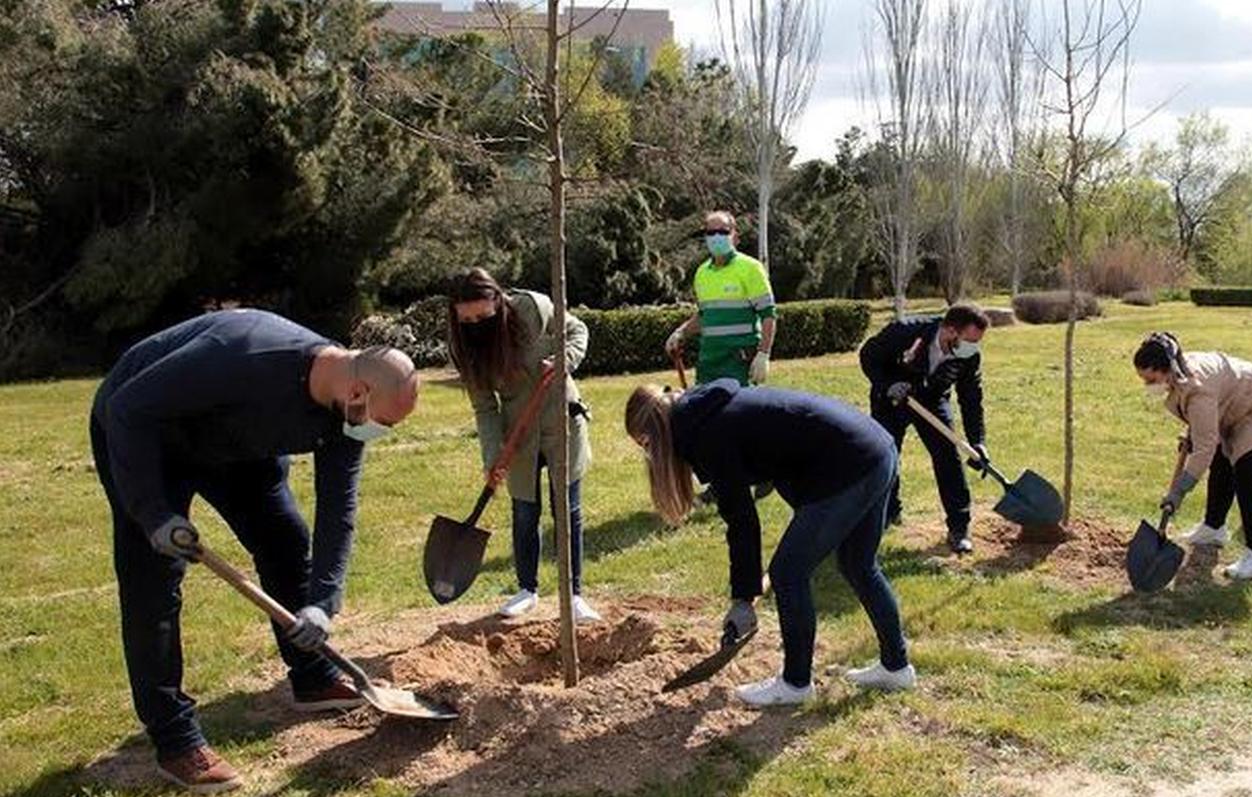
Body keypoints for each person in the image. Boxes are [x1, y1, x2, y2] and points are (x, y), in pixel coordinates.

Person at [90, 309, 419, 793]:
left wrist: (322, 606)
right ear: (358, 393)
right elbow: (126, 409)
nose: (380, 433)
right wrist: (153, 514)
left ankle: (312, 673)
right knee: (153, 583)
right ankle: (176, 740)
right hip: (148, 432)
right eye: (384, 423)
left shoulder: (344, 412)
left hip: (235, 445)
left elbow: (338, 510)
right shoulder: (241, 353)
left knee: (285, 540)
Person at [624, 381, 914, 707]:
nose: (649, 455)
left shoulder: (707, 434)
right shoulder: (706, 411)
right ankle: (896, 666)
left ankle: (795, 684)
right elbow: (780, 457)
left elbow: (742, 520)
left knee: (789, 573)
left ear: (656, 431)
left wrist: (742, 599)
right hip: (874, 448)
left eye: (646, 444)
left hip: (850, 463)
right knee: (858, 564)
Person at [445, 269, 600, 622]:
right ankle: (527, 589)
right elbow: (485, 408)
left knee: (567, 510)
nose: (476, 324)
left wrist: (565, 360)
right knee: (524, 511)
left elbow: (577, 330)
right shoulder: (465, 349)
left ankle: (574, 595)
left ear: (498, 300)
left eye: (483, 316)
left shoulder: (532, 307)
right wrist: (493, 454)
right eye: (467, 319)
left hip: (563, 420)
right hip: (519, 436)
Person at [1136, 333, 1252, 580]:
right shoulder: (1179, 373)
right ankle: (1214, 528)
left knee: (1248, 480)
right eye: (1144, 379)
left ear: (1167, 369)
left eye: (1151, 379)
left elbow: (1204, 446)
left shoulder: (1197, 387)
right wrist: (1192, 430)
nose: (1148, 385)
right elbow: (1199, 417)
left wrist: (1179, 490)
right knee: (1221, 465)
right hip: (1239, 408)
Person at [858, 303, 990, 554]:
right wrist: (887, 384)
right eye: (970, 340)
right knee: (886, 456)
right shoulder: (905, 332)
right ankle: (888, 511)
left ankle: (959, 527)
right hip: (892, 398)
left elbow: (971, 398)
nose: (974, 347)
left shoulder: (968, 356)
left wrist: (978, 441)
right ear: (950, 330)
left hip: (932, 399)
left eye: (977, 342)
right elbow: (869, 356)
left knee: (948, 456)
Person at [664, 210, 778, 386]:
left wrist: (763, 354)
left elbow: (768, 315)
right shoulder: (702, 273)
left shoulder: (751, 268)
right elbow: (704, 315)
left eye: (723, 232)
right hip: (709, 363)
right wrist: (682, 332)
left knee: (737, 413)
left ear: (734, 235)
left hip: (739, 362)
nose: (717, 237)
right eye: (711, 232)